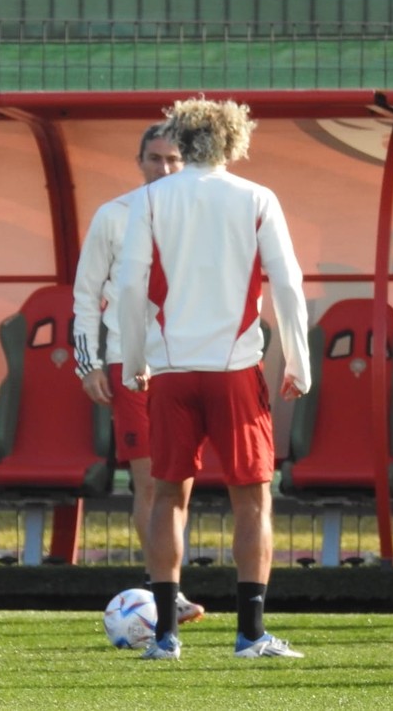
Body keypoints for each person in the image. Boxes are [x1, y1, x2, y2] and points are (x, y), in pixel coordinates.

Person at [117, 97, 311, 661]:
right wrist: (298, 360)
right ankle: (250, 635)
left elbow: (130, 285)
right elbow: (288, 285)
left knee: (166, 498)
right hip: (233, 369)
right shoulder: (256, 197)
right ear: (233, 141)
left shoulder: (151, 198)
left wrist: (134, 358)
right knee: (252, 499)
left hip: (171, 370)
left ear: (182, 137)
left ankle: (165, 637)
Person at [72, 123, 204, 624]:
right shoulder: (114, 215)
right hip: (133, 368)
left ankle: (167, 587)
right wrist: (88, 364)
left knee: (182, 480)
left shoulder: (203, 214)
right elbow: (86, 294)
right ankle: (165, 593)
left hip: (191, 362)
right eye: (155, 158)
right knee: (150, 481)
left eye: (174, 159)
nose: (165, 168)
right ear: (140, 161)